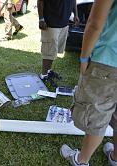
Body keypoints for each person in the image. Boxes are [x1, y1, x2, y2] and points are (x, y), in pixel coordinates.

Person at [60, 0, 117, 165]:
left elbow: (95, 23)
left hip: (108, 60)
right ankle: (115, 157)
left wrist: (84, 57)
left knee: (97, 113)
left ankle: (81, 160)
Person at [37, 0, 79, 79]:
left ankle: (48, 71)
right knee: (48, 51)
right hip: (51, 23)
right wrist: (41, 19)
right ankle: (44, 75)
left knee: (54, 50)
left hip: (64, 23)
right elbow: (40, 1)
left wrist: (76, 14)